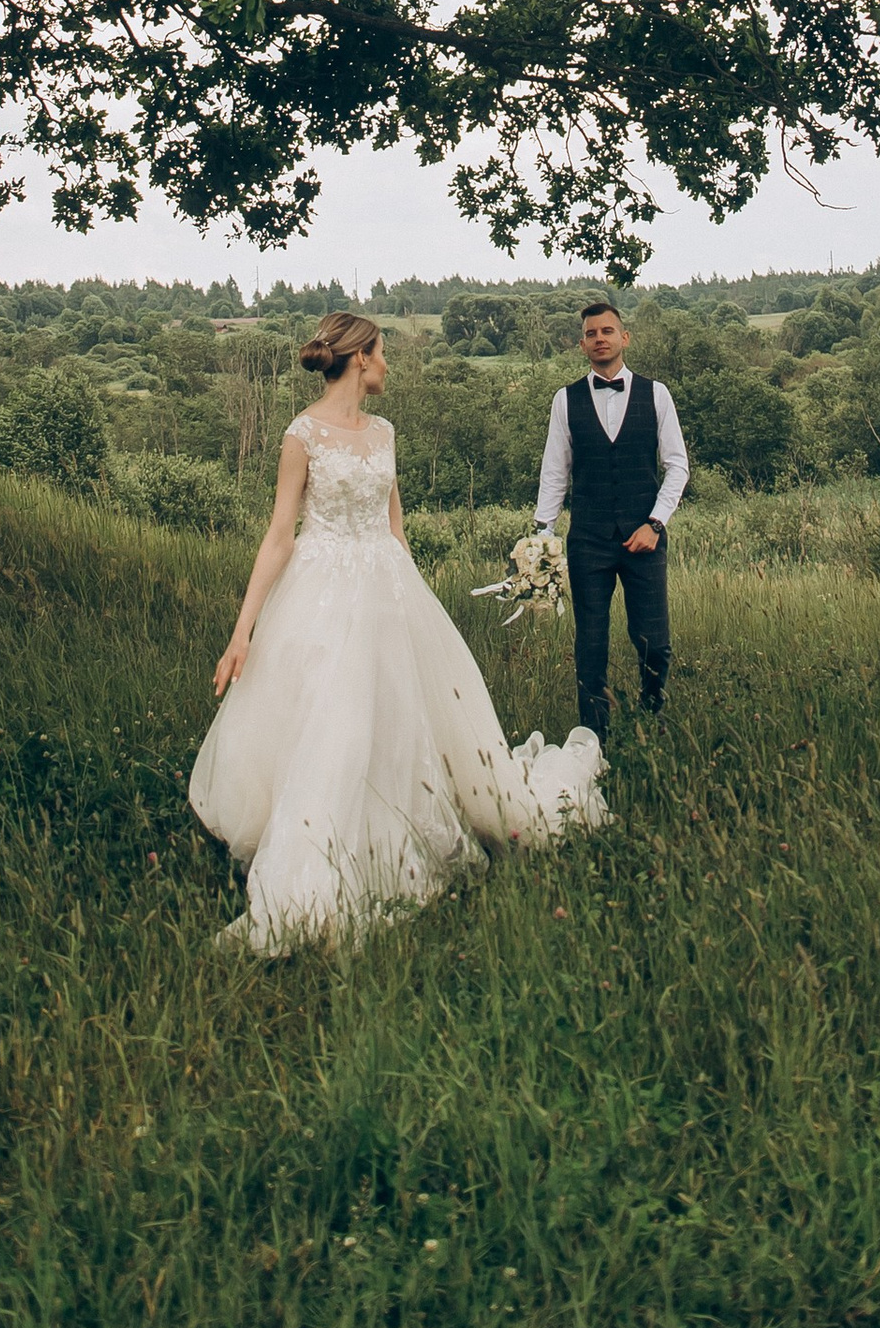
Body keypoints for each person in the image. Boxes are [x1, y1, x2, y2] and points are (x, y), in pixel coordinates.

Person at [188, 308, 606, 951]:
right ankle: (317, 859)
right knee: (334, 725)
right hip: (321, 594)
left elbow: (397, 532)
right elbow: (279, 536)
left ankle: (395, 839)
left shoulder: (384, 433)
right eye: (382, 352)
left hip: (386, 589)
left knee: (396, 720)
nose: (388, 364)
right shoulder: (302, 435)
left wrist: (415, 610)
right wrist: (243, 631)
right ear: (359, 357)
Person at [534, 300, 687, 736]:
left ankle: (650, 716)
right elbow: (555, 470)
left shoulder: (656, 394)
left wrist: (655, 524)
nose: (599, 338)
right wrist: (542, 533)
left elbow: (677, 465)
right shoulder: (565, 399)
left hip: (646, 538)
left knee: (654, 642)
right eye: (591, 333)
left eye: (607, 331)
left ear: (624, 337)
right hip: (588, 541)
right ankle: (593, 738)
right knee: (591, 644)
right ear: (581, 344)